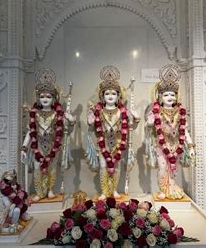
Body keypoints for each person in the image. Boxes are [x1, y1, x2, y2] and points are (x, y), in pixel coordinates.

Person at [21, 68, 75, 202]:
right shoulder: (35, 114)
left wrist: (70, 118)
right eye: (42, 96)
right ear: (38, 99)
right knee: (38, 169)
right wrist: (23, 147)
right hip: (38, 145)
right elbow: (30, 131)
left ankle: (50, 190)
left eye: (48, 96)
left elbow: (70, 124)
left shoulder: (57, 114)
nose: (45, 99)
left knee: (51, 169)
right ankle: (39, 192)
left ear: (54, 99)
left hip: (53, 146)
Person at [86, 66, 139, 200]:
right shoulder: (99, 111)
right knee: (103, 166)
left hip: (118, 143)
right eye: (107, 94)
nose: (110, 96)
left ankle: (114, 190)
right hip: (102, 144)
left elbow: (131, 125)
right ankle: (104, 191)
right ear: (102, 96)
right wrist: (90, 117)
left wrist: (136, 117)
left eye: (113, 94)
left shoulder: (122, 111)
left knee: (116, 166)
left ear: (118, 96)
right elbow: (92, 124)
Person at [145, 64, 195, 200]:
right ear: (160, 96)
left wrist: (190, 146)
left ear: (176, 96)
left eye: (172, 94)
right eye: (166, 94)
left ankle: (171, 188)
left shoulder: (180, 112)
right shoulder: (157, 111)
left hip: (177, 144)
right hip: (161, 145)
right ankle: (163, 190)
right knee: (162, 168)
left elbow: (185, 129)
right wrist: (150, 119)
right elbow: (150, 125)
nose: (169, 97)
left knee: (174, 168)